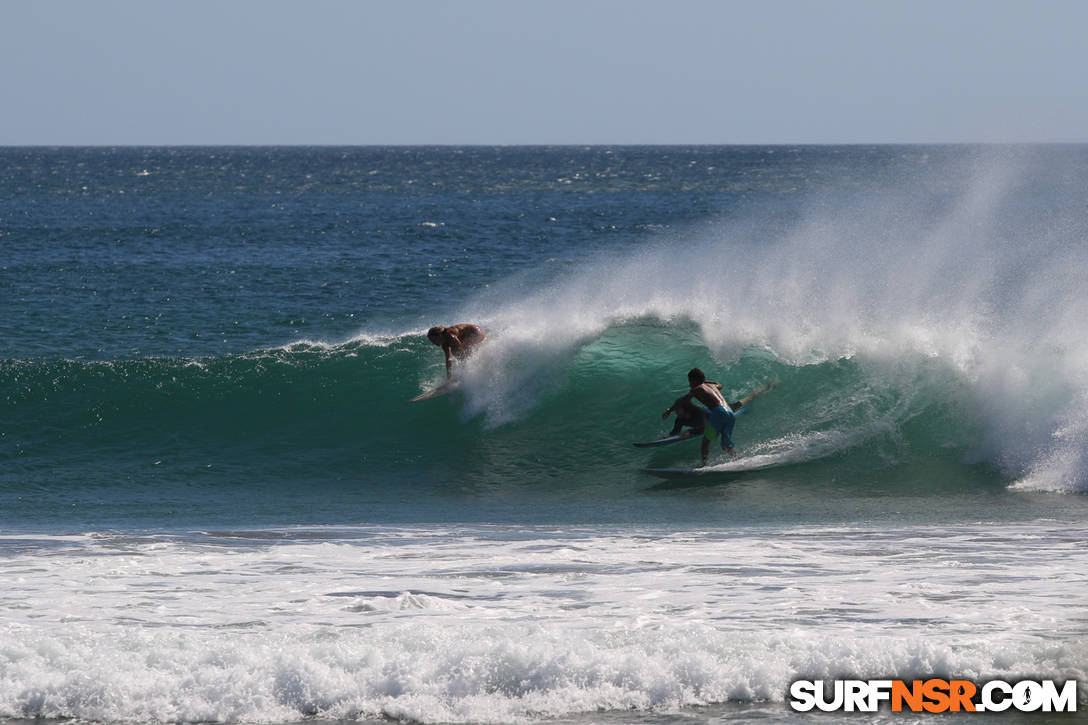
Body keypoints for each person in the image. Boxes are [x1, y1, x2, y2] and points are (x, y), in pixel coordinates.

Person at [671, 367, 740, 466]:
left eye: (690, 381)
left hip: (719, 412)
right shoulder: (712, 386)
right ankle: (737, 459)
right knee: (726, 444)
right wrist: (704, 380)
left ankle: (704, 465)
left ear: (694, 380)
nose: (689, 384)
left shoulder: (696, 389)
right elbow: (720, 384)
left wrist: (669, 410)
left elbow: (681, 401)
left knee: (705, 442)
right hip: (730, 412)